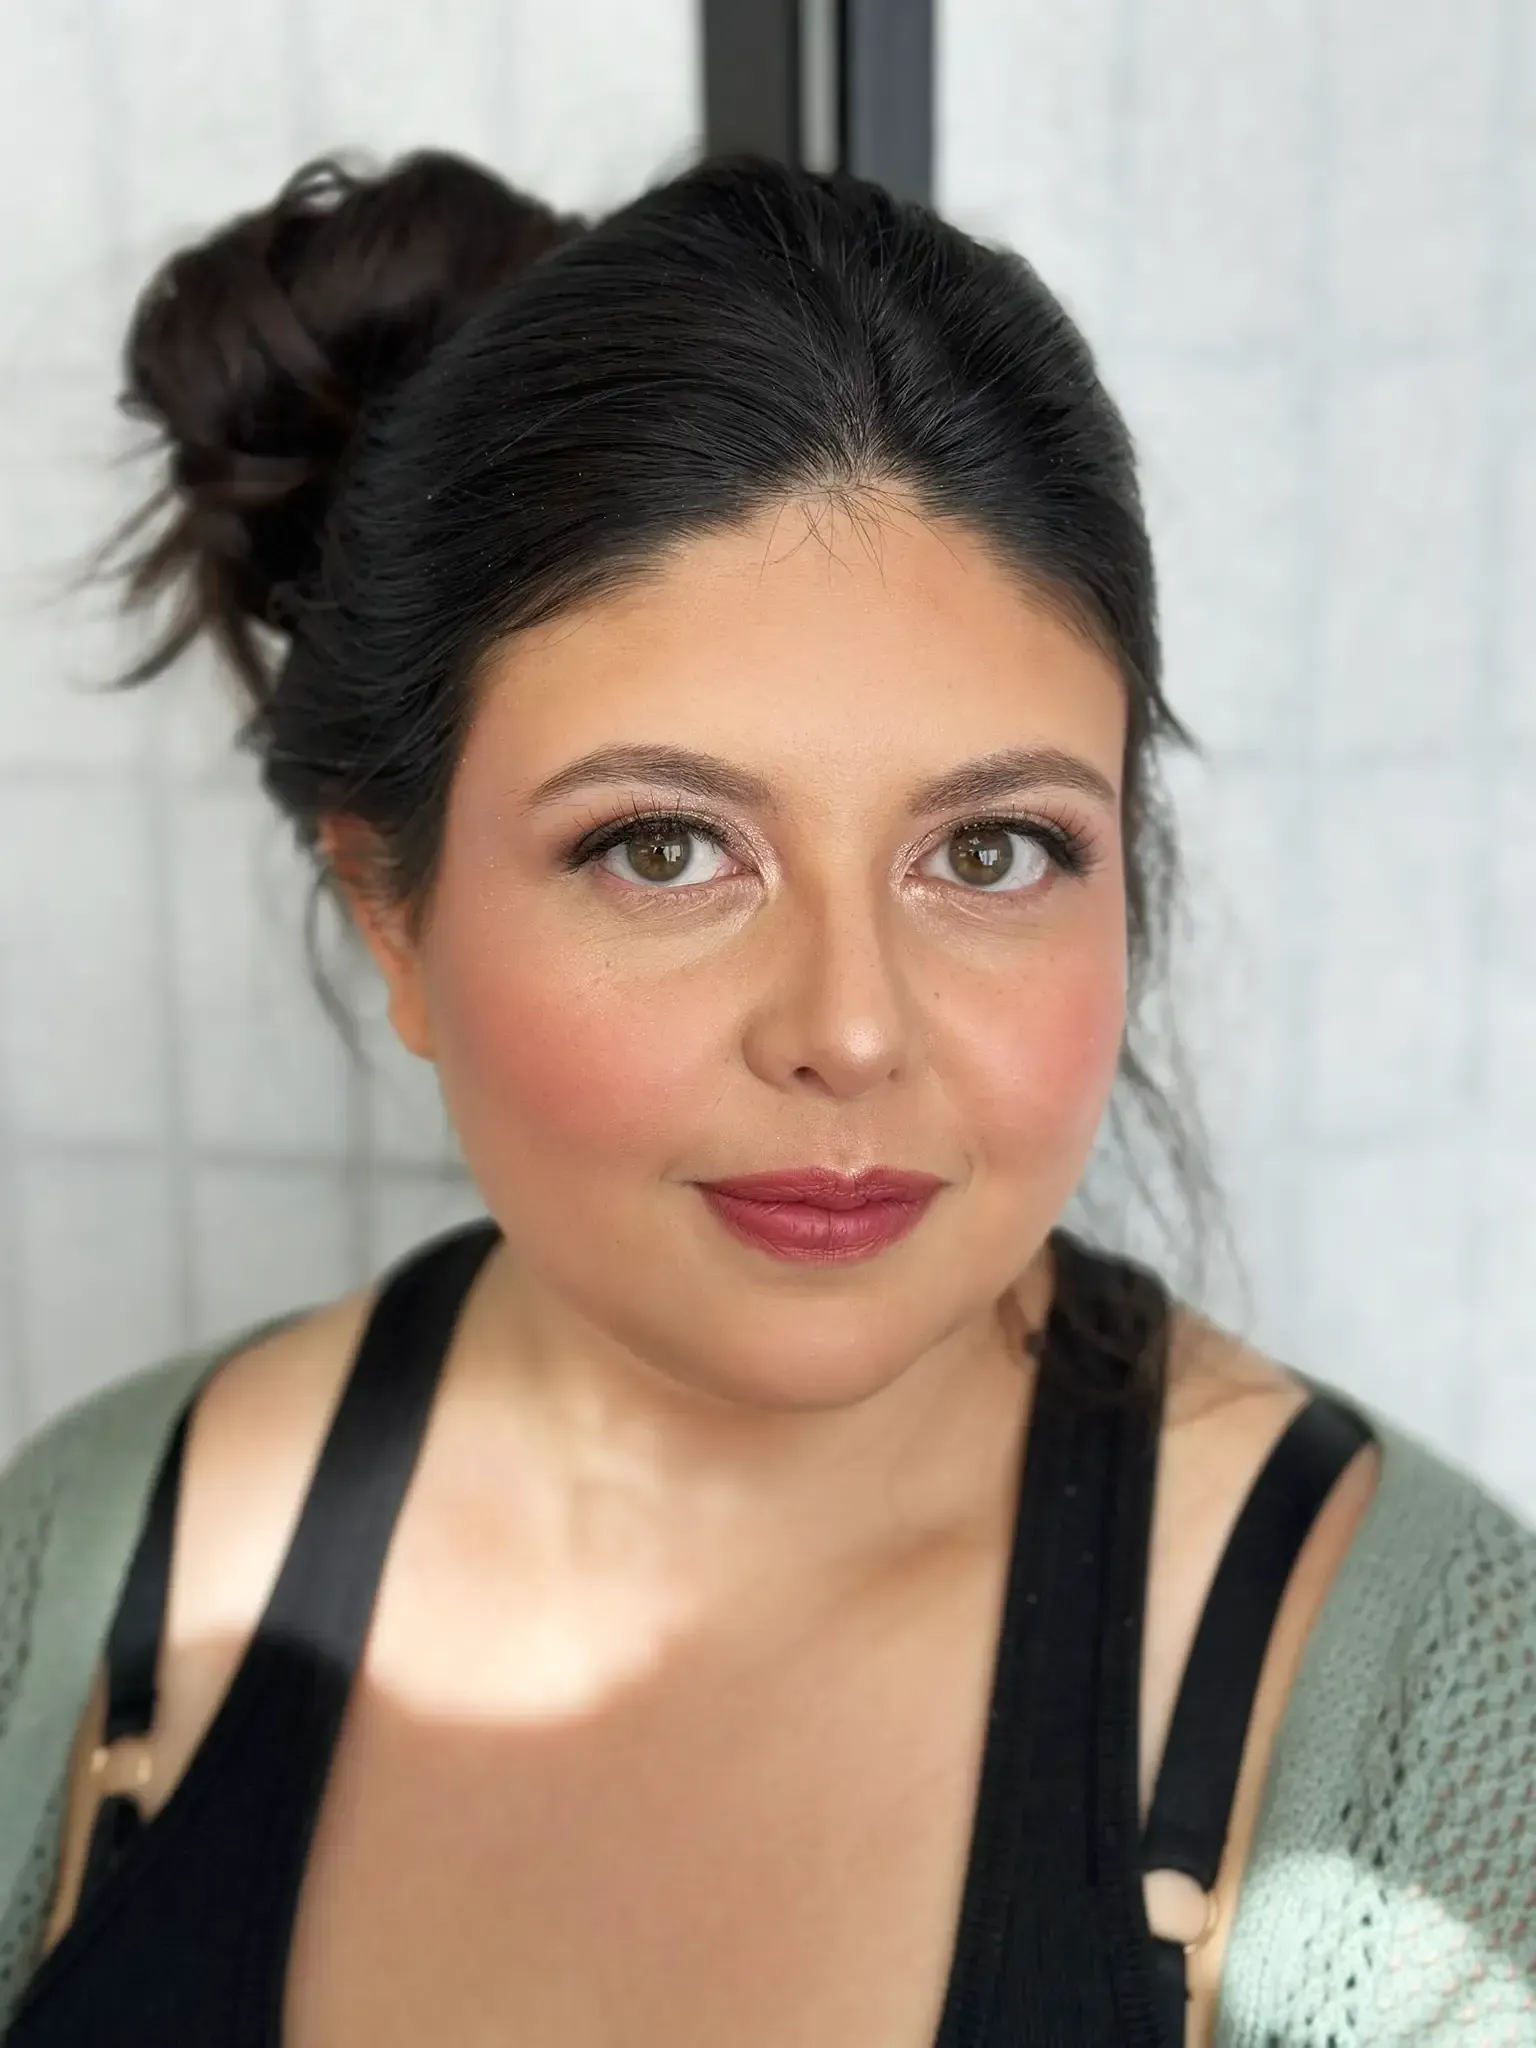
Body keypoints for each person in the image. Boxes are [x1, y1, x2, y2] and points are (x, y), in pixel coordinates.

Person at [0, 148, 1529, 2048]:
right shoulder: (81, 1571)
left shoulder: (1425, 1707)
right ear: (389, 911)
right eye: (663, 848)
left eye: (989, 853)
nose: (850, 1029)